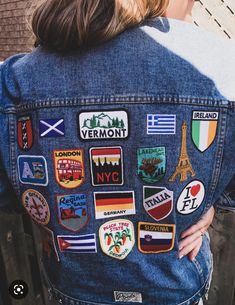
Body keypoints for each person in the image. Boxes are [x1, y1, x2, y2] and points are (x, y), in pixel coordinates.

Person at [0, 0, 234, 304]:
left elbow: (6, 190)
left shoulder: (14, 79)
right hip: (174, 283)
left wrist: (49, 211)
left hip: (75, 284)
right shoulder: (220, 65)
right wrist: (211, 200)